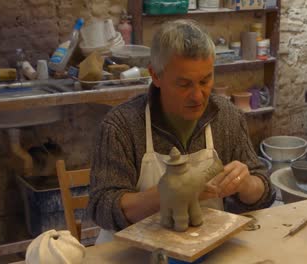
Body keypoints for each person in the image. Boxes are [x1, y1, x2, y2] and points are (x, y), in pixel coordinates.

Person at [88, 19, 275, 243]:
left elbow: (264, 193)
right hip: (136, 253)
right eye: (184, 84)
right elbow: (101, 207)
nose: (198, 96)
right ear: (155, 75)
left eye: (205, 80)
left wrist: (246, 185)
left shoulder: (226, 117)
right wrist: (163, 196)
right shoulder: (121, 126)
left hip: (204, 246)